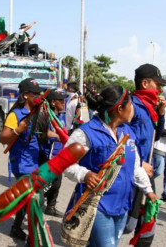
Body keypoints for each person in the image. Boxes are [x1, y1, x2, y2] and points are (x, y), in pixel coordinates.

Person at [64, 85, 156, 247]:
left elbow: (135, 167)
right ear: (120, 109)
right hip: (98, 205)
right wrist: (84, 175)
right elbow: (64, 163)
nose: (133, 108)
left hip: (122, 204)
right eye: (130, 105)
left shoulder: (128, 132)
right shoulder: (86, 133)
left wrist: (148, 190)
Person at [125, 63, 166, 246]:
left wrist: (160, 114)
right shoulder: (131, 106)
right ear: (145, 84)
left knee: (149, 217)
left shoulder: (150, 108)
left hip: (146, 173)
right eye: (157, 84)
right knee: (125, 223)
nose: (159, 89)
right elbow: (121, 141)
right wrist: (139, 163)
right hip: (131, 172)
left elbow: (153, 138)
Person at [0, 78, 45, 241]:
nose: (39, 96)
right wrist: (18, 130)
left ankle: (16, 228)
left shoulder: (37, 113)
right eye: (36, 93)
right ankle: (34, 239)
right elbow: (4, 138)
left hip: (34, 162)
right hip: (21, 164)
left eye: (40, 93)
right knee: (35, 200)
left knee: (25, 200)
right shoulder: (15, 114)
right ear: (26, 95)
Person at [42, 89, 67, 217]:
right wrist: (59, 136)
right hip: (48, 156)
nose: (64, 102)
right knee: (45, 185)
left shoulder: (61, 116)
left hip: (59, 155)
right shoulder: (46, 116)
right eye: (61, 100)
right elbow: (44, 132)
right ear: (53, 102)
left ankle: (50, 207)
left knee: (57, 183)